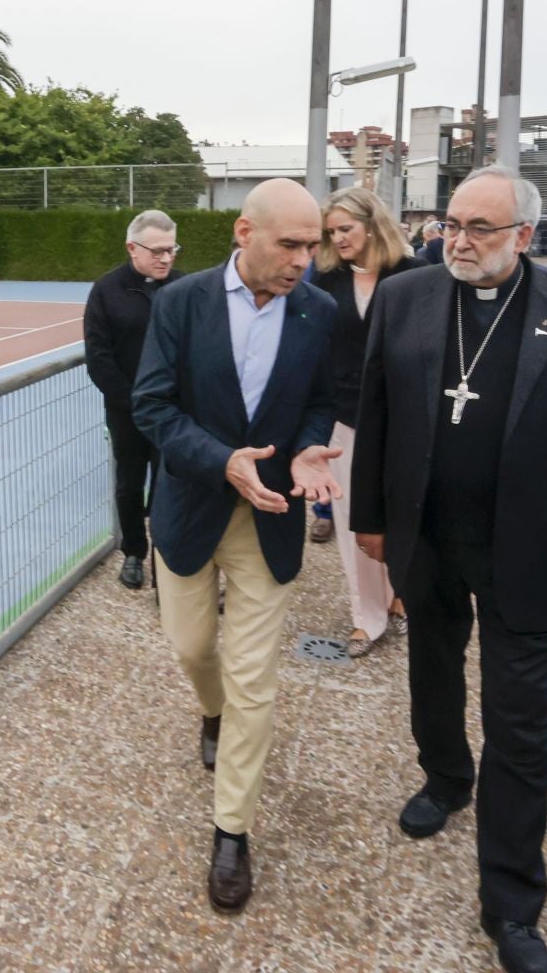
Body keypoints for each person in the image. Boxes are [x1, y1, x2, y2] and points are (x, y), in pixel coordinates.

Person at [349, 165, 547, 973]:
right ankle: (444, 779)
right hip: (427, 535)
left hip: (528, 549)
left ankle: (511, 903)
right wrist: (369, 519)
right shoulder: (405, 299)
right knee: (432, 671)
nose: (457, 240)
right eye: (451, 223)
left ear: (523, 237)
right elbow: (376, 412)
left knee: (520, 719)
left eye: (478, 229)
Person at [133, 179, 342, 914]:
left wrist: (312, 447)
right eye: (290, 245)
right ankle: (208, 710)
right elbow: (151, 406)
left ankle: (232, 830)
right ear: (242, 232)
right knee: (194, 650)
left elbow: (324, 399)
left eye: (313, 246)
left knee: (255, 678)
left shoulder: (321, 311)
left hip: (272, 518)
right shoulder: (179, 303)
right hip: (192, 510)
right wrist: (223, 460)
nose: (304, 261)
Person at [308, 185, 419, 658]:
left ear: (373, 225)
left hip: (405, 421)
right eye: (331, 232)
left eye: (345, 229)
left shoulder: (416, 276)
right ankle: (365, 619)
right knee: (353, 521)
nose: (338, 239)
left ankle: (401, 594)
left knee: (403, 516)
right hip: (344, 420)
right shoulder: (325, 280)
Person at [83, 210, 185, 589]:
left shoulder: (184, 289)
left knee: (169, 484)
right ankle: (134, 553)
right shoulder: (106, 290)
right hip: (126, 413)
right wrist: (133, 402)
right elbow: (99, 357)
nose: (165, 257)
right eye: (157, 250)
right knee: (129, 484)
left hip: (174, 414)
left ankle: (165, 556)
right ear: (132, 248)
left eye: (171, 249)